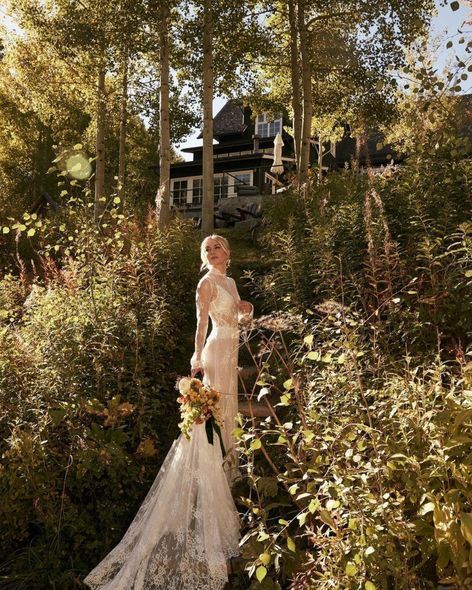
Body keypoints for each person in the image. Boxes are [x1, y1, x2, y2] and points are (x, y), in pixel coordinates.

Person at [84, 234, 253, 590]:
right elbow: (202, 323)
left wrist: (246, 310)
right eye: (207, 249)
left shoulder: (230, 281)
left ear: (227, 252)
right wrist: (196, 358)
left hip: (231, 350)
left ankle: (227, 477)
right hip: (215, 353)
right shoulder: (206, 283)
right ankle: (210, 484)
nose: (212, 253)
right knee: (213, 415)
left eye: (217, 248)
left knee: (226, 413)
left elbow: (237, 319)